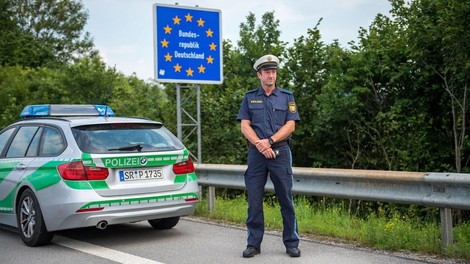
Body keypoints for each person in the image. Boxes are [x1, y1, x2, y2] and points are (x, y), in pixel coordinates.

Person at [236, 54, 301, 258]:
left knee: (286, 199)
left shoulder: (287, 97)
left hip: (280, 152)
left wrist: (270, 141)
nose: (271, 75)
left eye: (273, 71)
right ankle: (253, 244)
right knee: (254, 201)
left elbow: (291, 125)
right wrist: (260, 144)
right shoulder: (249, 97)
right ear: (259, 75)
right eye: (266, 72)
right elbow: (244, 125)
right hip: (256, 155)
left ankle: (291, 242)